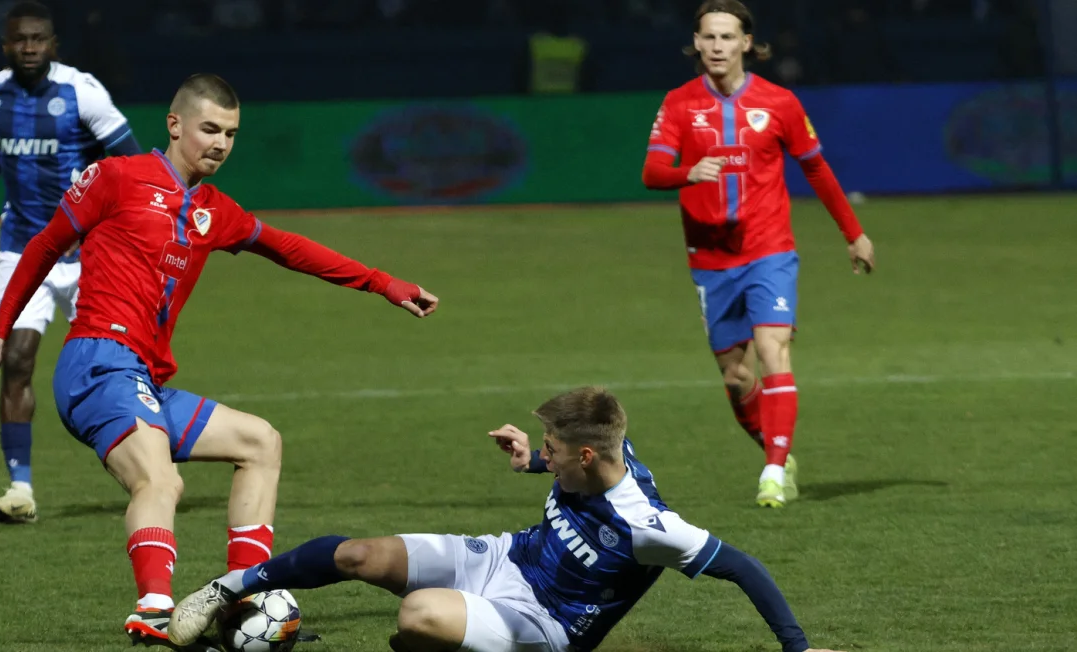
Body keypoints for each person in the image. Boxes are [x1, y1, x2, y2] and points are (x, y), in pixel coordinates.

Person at [0, 72, 439, 645]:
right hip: (97, 361)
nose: (220, 143)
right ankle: (154, 610)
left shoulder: (215, 209)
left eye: (231, 134)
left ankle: (243, 596)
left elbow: (289, 248)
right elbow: (41, 246)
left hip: (143, 378)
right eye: (209, 129)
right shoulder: (116, 177)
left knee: (260, 442)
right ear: (174, 124)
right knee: (160, 482)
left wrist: (383, 283)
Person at [169, 386, 844, 652]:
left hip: (546, 623)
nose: (540, 450)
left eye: (547, 446)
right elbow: (564, 476)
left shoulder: (649, 524)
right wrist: (529, 463)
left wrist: (797, 646)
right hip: (504, 558)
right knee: (358, 555)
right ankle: (227, 590)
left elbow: (743, 566)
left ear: (585, 454)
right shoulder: (603, 454)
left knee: (419, 617)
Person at [641, 0, 876, 507]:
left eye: (727, 37)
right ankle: (778, 452)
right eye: (709, 37)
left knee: (774, 351)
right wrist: (689, 171)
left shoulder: (780, 102)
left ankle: (772, 472)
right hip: (709, 257)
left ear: (747, 43)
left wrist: (853, 232)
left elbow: (816, 169)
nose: (717, 47)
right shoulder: (680, 103)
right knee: (736, 376)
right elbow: (653, 171)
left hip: (770, 248)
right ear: (697, 43)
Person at [0, 0, 142, 524]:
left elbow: (129, 156)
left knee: (118, 364)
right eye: (19, 40)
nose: (29, 47)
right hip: (23, 249)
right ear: (5, 45)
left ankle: (148, 472)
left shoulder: (82, 92)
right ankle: (20, 490)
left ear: (53, 44)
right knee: (15, 359)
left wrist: (122, 223)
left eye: (38, 39)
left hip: (89, 255)